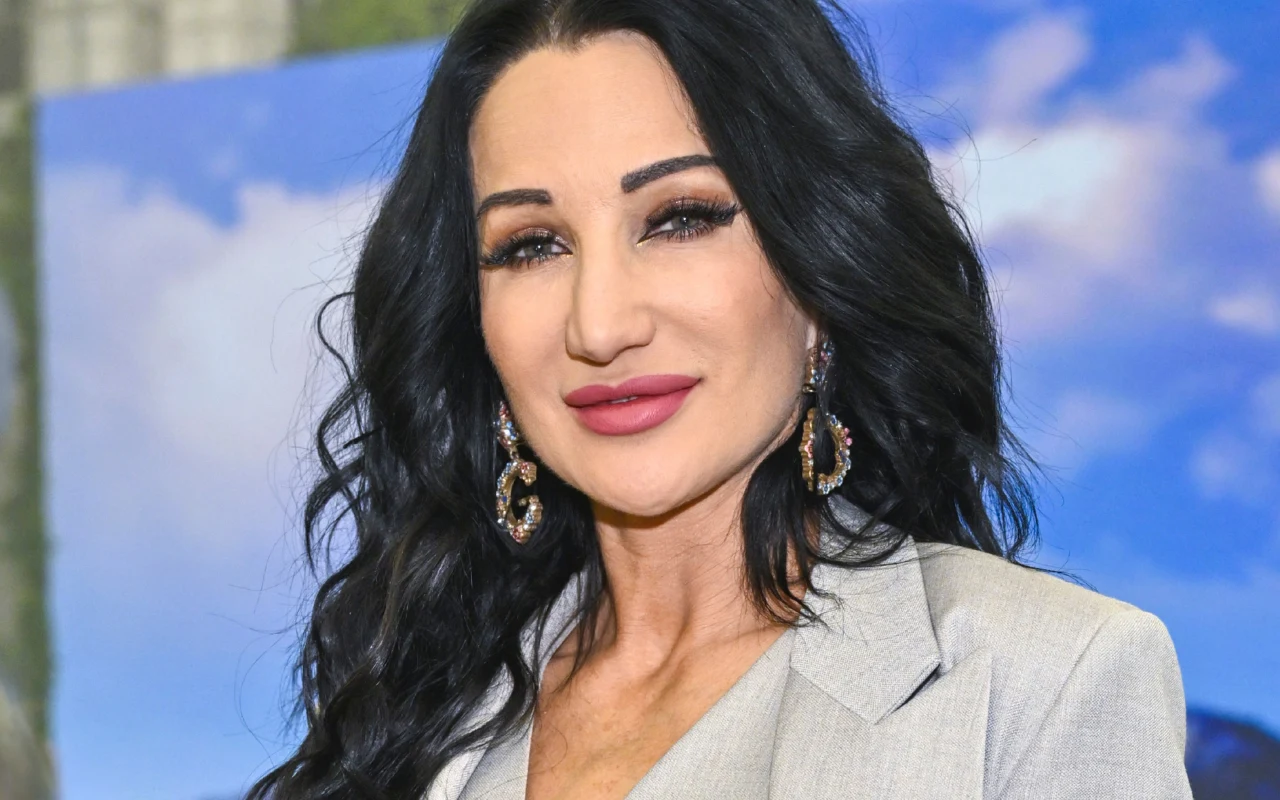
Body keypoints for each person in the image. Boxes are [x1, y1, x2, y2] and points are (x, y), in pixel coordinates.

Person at [249, 0, 1193, 798]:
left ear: (819, 276)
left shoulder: (1042, 683)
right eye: (531, 244)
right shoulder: (417, 718)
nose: (600, 324)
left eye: (680, 218)